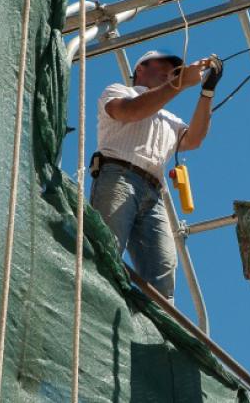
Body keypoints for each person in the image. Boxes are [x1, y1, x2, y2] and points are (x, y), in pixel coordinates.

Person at [89, 50, 223, 301]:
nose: (169, 71)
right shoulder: (119, 91)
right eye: (163, 65)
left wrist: (207, 92)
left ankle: (158, 335)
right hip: (118, 177)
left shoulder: (168, 118)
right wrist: (180, 82)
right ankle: (97, 306)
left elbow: (194, 138)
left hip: (153, 192)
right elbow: (131, 111)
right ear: (141, 68)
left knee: (163, 272)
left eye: (173, 69)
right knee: (107, 251)